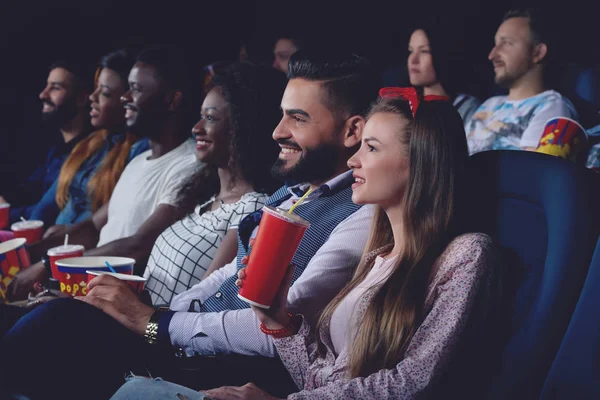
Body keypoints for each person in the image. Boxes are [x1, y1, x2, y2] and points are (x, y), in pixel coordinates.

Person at [0, 49, 378, 400]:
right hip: (182, 341)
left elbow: (281, 328)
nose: (278, 131)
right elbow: (227, 275)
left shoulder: (361, 213)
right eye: (282, 114)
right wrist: (143, 315)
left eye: (298, 118)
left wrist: (155, 323)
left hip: (223, 366)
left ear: (352, 131)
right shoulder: (292, 192)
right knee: (47, 320)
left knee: (56, 326)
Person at [113, 89, 500, 400]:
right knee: (132, 388)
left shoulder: (464, 254)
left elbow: (413, 382)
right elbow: (319, 379)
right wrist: (277, 321)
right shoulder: (377, 254)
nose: (354, 160)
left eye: (372, 148)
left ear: (420, 164)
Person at [5, 47, 198, 301]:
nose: (125, 97)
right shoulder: (139, 161)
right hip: (87, 284)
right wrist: (35, 255)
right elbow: (93, 226)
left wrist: (48, 265)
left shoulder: (189, 163)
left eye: (137, 89)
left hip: (118, 299)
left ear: (172, 100)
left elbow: (139, 245)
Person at [144, 63, 285, 305]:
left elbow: (202, 300)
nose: (196, 128)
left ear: (243, 130)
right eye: (201, 117)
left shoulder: (251, 209)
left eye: (210, 118)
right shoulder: (203, 197)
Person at [29, 49, 149, 229]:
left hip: (82, 252)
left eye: (105, 93)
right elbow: (44, 207)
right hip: (49, 246)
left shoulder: (138, 150)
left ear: (128, 99)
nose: (93, 97)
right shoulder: (90, 144)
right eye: (96, 88)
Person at [465, 8, 578, 154]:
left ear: (537, 53)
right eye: (495, 44)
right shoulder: (490, 103)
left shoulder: (552, 108)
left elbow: (533, 172)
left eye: (506, 43)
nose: (492, 55)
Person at [0, 60, 92, 223]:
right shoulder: (56, 151)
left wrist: (6, 212)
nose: (43, 94)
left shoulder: (90, 156)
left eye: (56, 88)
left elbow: (51, 212)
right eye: (47, 86)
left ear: (82, 98)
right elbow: (27, 191)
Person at [407, 20, 481, 123]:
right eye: (411, 51)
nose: (413, 60)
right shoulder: (405, 106)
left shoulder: (466, 108)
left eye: (424, 51)